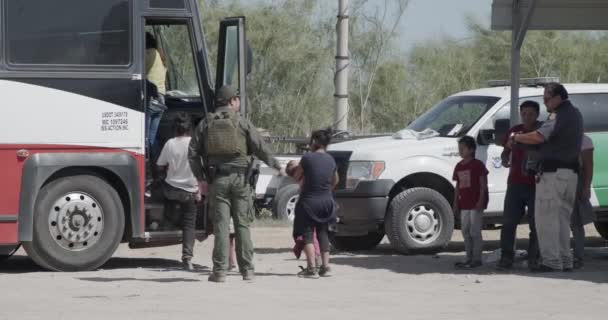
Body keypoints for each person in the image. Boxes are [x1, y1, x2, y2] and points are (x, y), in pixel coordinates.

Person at [188, 85, 285, 283]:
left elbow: (192, 153)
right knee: (242, 225)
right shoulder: (242, 122)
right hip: (241, 180)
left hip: (218, 180)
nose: (239, 103)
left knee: (221, 226)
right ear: (232, 101)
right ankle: (247, 270)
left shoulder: (206, 123)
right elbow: (260, 148)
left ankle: (220, 272)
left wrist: (201, 178)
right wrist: (277, 166)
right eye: (237, 99)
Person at [512, 82, 583, 272]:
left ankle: (551, 261)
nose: (545, 103)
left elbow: (539, 137)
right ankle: (564, 260)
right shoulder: (576, 114)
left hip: (554, 174)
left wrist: (517, 138)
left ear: (558, 98)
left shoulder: (558, 115)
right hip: (570, 174)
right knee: (561, 220)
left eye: (547, 99)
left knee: (546, 220)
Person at [497, 101, 542, 270]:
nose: (527, 117)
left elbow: (547, 152)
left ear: (537, 114)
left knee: (535, 223)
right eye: (524, 113)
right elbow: (505, 151)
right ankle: (506, 257)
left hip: (536, 184)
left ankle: (534, 258)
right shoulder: (514, 131)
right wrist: (504, 158)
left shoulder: (541, 131)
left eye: (530, 114)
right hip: (515, 183)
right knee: (508, 222)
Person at [290, 129, 339, 278]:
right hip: (327, 202)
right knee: (323, 233)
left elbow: (297, 176)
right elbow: (335, 180)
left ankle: (312, 269)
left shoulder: (307, 158)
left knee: (307, 235)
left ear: (314, 142)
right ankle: (326, 267)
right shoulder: (331, 160)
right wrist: (325, 189)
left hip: (309, 202)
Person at [156, 112, 199, 271]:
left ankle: (167, 222)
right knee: (189, 225)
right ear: (190, 128)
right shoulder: (195, 144)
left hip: (171, 190)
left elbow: (160, 165)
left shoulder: (169, 144)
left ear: (175, 129)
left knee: (167, 202)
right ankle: (187, 259)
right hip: (190, 192)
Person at [452, 136, 488, 269]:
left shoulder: (478, 165)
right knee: (465, 231)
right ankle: (469, 258)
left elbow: (483, 185)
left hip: (475, 204)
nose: (460, 151)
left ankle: (477, 258)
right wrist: (455, 203)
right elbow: (458, 186)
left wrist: (480, 200)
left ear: (471, 149)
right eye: (459, 148)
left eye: (463, 148)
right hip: (464, 204)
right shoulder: (458, 166)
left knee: (475, 231)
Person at [286, 160, 322, 267]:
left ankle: (313, 261)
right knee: (311, 235)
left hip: (308, 205)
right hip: (312, 205)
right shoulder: (305, 177)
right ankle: (316, 260)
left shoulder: (303, 178)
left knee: (309, 235)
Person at [571, 133, 595, 269]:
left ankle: (578, 257)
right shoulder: (554, 136)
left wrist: (586, 187)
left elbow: (588, 166)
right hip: (556, 181)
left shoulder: (584, 140)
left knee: (576, 222)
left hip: (575, 182)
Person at [146, 32, 168, 159]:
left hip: (151, 98)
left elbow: (139, 69)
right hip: (161, 99)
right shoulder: (160, 55)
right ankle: (157, 166)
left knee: (145, 137)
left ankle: (149, 166)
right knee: (152, 137)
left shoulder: (149, 54)